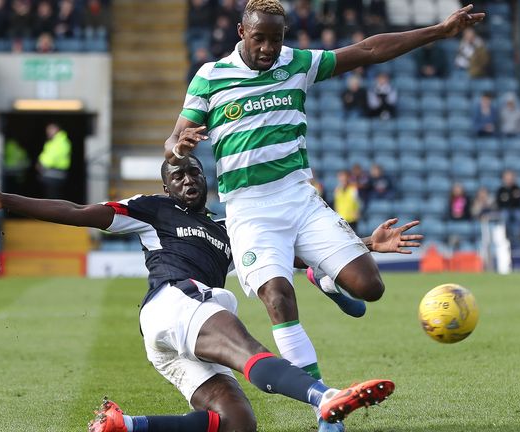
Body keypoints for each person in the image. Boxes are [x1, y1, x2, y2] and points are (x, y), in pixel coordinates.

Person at [164, 1, 482, 429]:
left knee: (370, 287)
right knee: (277, 296)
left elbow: (368, 50)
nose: (269, 48)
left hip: (299, 198)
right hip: (250, 210)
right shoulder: (210, 77)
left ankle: (325, 277)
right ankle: (325, 410)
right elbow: (174, 140)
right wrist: (179, 145)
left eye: (276, 39)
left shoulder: (297, 63)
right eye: (259, 38)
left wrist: (438, 31)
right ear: (241, 31)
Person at [0, 155, 423, 432]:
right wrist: (6, 200)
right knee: (247, 349)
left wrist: (362, 244)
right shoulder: (150, 210)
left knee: (237, 422)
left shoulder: (230, 228)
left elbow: (298, 254)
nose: (188, 179)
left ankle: (124, 425)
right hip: (175, 303)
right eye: (178, 176)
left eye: (195, 173)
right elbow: (77, 211)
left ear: (207, 180)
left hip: (174, 337)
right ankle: (325, 398)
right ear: (165, 186)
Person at [37, 122, 71, 198]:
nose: (48, 132)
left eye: (50, 130)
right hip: (52, 174)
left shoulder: (59, 142)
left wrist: (41, 164)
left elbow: (52, 157)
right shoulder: (56, 141)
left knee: (53, 199)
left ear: (57, 130)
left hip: (55, 174)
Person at [496, 170, 520, 250]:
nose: (509, 180)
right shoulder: (501, 190)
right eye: (507, 178)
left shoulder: (517, 189)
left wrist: (509, 199)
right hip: (505, 211)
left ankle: (518, 242)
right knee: (504, 214)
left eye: (510, 178)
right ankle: (505, 234)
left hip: (516, 210)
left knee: (519, 215)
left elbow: (519, 201)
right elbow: (500, 202)